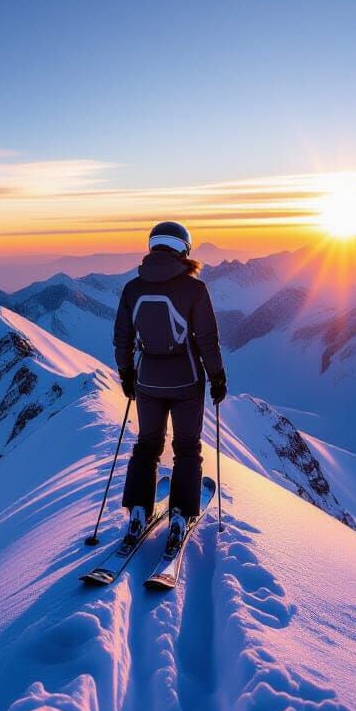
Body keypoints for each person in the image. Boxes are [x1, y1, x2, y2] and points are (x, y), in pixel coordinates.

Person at [113, 221, 227, 546]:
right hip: (187, 380)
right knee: (187, 448)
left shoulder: (132, 289)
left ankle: (137, 511)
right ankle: (180, 513)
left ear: (153, 247)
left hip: (147, 378)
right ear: (184, 249)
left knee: (147, 445)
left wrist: (126, 374)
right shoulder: (195, 289)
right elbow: (207, 339)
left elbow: (123, 338)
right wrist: (217, 376)